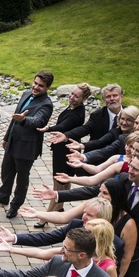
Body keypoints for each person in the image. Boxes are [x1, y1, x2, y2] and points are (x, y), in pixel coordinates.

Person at [0, 70, 55, 218]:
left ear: (47, 87)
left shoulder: (47, 105)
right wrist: (6, 138)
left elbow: (38, 121)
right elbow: (14, 119)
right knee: (6, 170)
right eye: (35, 83)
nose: (36, 87)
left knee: (22, 178)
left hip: (27, 148)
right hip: (12, 142)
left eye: (40, 86)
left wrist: (24, 120)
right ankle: (3, 195)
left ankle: (15, 206)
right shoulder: (26, 94)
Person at [40, 82, 89, 216]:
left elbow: (63, 126)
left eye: (76, 96)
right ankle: (60, 206)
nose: (72, 97)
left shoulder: (76, 113)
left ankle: (47, 216)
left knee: (58, 182)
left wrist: (48, 129)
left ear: (83, 99)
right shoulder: (72, 107)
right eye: (72, 94)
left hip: (65, 150)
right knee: (65, 180)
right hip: (63, 148)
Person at [48, 83, 124, 147]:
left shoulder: (130, 114)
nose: (112, 99)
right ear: (104, 100)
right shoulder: (97, 115)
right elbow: (85, 128)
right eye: (108, 96)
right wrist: (66, 135)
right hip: (99, 152)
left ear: (121, 97)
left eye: (115, 95)